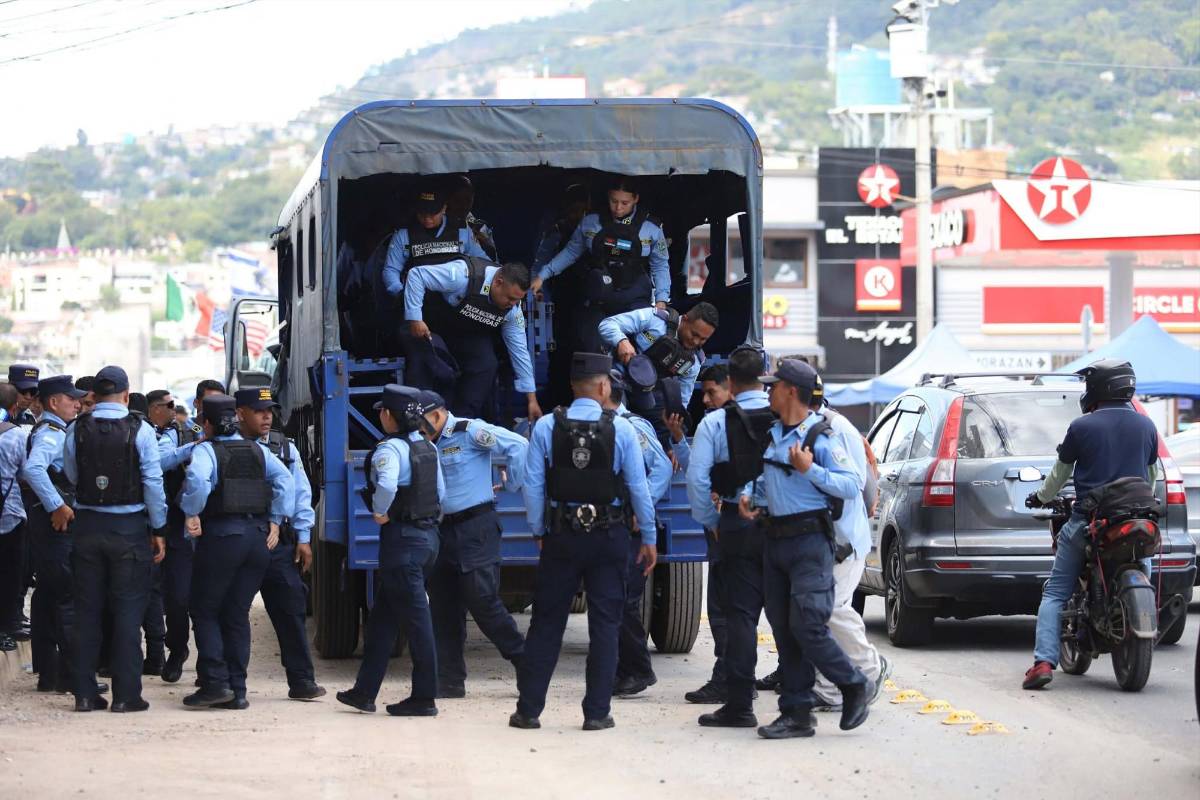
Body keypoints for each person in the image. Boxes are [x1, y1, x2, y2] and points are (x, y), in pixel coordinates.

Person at [510, 353, 656, 732]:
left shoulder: (546, 426)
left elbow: (532, 486)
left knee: (546, 622)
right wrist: (649, 537)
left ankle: (528, 711)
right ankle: (596, 713)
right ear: (605, 386)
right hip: (609, 536)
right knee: (605, 624)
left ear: (573, 387)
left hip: (562, 535)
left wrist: (539, 530)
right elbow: (639, 488)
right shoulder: (622, 429)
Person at [746, 358, 870, 739]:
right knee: (784, 630)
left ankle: (853, 684)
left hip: (810, 542)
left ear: (791, 392)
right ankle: (797, 712)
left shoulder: (822, 436)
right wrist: (752, 497)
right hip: (776, 540)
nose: (767, 391)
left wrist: (810, 470)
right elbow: (769, 479)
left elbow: (852, 484)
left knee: (808, 624)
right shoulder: (775, 434)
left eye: (773, 386)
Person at [1023, 359, 1159, 690]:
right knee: (1145, 567)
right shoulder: (1147, 426)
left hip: (1091, 520)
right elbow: (1151, 476)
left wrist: (1040, 497)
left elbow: (1059, 476)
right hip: (1138, 519)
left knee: (1055, 591)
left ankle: (1043, 663)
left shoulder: (1082, 427)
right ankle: (1143, 603)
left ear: (1098, 388)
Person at [62, 366, 169, 713]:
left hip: (87, 526)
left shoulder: (77, 428)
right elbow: (153, 483)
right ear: (126, 394)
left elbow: (71, 474)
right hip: (129, 530)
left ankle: (84, 693)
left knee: (87, 611)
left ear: (94, 394)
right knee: (127, 612)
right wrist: (159, 528)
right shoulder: (141, 429)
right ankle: (126, 695)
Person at [179, 393, 292, 710]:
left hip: (223, 537)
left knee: (205, 610)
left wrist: (191, 510)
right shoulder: (258, 449)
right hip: (257, 540)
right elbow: (286, 480)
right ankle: (238, 689)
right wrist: (276, 520)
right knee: (236, 613)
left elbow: (197, 480)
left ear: (207, 423)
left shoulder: (207, 450)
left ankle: (215, 684)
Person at [337, 385, 444, 717]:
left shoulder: (389, 450)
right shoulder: (428, 446)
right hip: (428, 539)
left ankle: (424, 697)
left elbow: (385, 484)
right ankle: (364, 692)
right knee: (383, 620)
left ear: (388, 415)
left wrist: (380, 511)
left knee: (417, 623)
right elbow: (441, 492)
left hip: (403, 542)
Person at [683, 347, 774, 718]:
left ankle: (739, 703)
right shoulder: (785, 415)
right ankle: (797, 706)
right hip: (784, 524)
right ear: (765, 377)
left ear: (731, 382)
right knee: (788, 614)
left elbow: (696, 480)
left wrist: (713, 521)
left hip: (736, 523)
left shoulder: (715, 423)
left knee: (739, 616)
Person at [420, 389, 527, 698]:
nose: (418, 427)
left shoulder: (469, 432)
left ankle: (526, 663)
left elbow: (519, 446)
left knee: (482, 600)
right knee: (443, 606)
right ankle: (449, 680)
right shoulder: (424, 442)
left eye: (422, 420)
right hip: (441, 531)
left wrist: (513, 483)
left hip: (475, 528)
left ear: (437, 414)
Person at [803, 375, 890, 711]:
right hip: (825, 539)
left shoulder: (835, 429)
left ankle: (871, 667)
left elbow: (860, 486)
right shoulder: (810, 426)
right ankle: (828, 689)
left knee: (834, 609)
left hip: (845, 540)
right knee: (820, 614)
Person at [234, 387, 326, 701]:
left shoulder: (284, 447)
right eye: (259, 411)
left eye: (269, 411)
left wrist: (303, 538)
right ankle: (234, 685)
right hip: (242, 540)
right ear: (240, 414)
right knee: (234, 614)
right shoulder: (225, 446)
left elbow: (301, 493)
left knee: (290, 611)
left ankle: (302, 681)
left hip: (279, 543)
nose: (267, 417)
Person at [530, 176, 671, 352]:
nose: (618, 208)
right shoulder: (591, 222)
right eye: (614, 201)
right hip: (598, 296)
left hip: (635, 298)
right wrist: (542, 276)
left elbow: (660, 265)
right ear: (608, 197)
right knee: (592, 348)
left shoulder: (651, 228)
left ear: (636, 199)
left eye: (624, 203)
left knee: (640, 349)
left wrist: (661, 300)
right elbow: (571, 252)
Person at [19, 375, 91, 698]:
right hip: (54, 525)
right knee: (66, 596)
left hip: (45, 523)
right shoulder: (51, 433)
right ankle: (73, 676)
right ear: (53, 402)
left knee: (48, 595)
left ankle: (49, 673)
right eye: (70, 399)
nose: (77, 404)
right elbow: (34, 469)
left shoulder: (54, 429)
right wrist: (57, 505)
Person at [604, 370, 673, 700]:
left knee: (623, 600)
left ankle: (638, 670)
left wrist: (639, 506)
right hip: (609, 526)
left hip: (630, 526)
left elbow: (662, 468)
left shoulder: (631, 426)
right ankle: (625, 670)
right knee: (613, 599)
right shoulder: (598, 424)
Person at [403, 258, 540, 422]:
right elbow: (417, 275)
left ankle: (459, 423)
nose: (512, 304)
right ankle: (419, 421)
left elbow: (520, 351)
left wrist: (532, 399)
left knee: (486, 364)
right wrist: (415, 318)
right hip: (428, 327)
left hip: (464, 335)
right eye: (510, 298)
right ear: (498, 282)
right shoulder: (462, 276)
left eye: (517, 300)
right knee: (430, 359)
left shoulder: (512, 311)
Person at [599, 302, 718, 445]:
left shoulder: (694, 361)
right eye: (694, 334)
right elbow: (607, 324)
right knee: (617, 422)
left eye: (703, 339)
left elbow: (681, 400)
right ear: (685, 319)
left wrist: (673, 434)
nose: (696, 341)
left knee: (668, 428)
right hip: (618, 378)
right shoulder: (655, 319)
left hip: (648, 394)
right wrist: (621, 341)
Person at [147, 388, 203, 683]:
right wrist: (193, 447)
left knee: (212, 601)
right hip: (180, 528)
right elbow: (157, 463)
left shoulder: (238, 440)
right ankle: (177, 649)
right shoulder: (178, 435)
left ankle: (210, 665)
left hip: (217, 531)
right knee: (178, 598)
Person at [380, 182, 489, 302]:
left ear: (444, 208)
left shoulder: (461, 229)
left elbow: (484, 262)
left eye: (433, 213)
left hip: (456, 300)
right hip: (418, 299)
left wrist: (483, 292)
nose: (427, 218)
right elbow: (391, 269)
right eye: (422, 213)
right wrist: (400, 293)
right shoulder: (404, 233)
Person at [0, 384, 29, 652]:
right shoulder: (17, 435)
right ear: (13, 408)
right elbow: (25, 473)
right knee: (10, 576)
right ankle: (4, 629)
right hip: (9, 515)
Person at [444, 174, 498, 260]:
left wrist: (486, 245)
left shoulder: (480, 227)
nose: (464, 205)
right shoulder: (435, 224)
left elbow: (493, 261)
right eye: (458, 200)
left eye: (468, 200)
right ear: (447, 199)